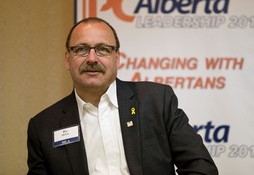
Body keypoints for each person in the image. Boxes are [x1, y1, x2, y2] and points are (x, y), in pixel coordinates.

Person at [27, 17, 218, 175]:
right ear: (68, 60)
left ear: (117, 58)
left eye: (102, 49)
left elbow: (201, 168)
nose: (92, 59)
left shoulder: (157, 101)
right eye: (81, 49)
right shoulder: (43, 127)